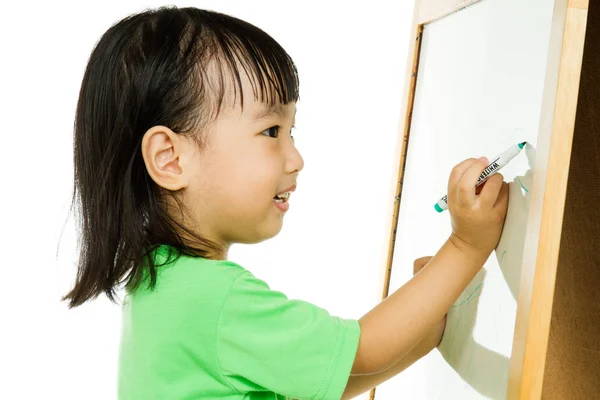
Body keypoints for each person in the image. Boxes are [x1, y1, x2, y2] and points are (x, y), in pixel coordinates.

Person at [62, 6, 509, 399]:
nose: (296, 158)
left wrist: (426, 329)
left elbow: (318, 383)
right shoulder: (214, 298)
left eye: (291, 132)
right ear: (171, 159)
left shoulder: (161, 284)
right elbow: (365, 351)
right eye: (271, 132)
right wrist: (467, 245)